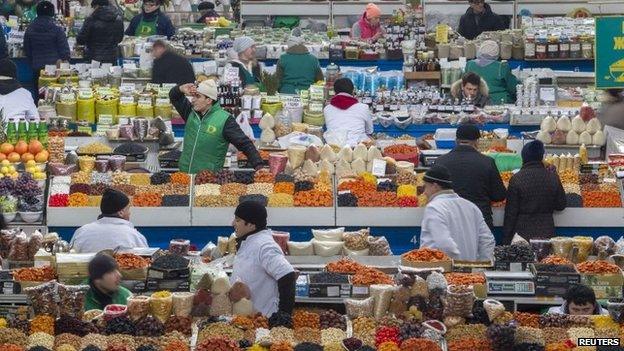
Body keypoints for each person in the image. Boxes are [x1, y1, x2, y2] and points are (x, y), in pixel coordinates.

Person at [169, 79, 263, 173]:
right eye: (193, 96)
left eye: (197, 97)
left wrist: (258, 166)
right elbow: (174, 96)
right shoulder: (190, 112)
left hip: (208, 179)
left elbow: (244, 143)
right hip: (185, 175)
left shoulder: (224, 120)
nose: (193, 100)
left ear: (209, 100)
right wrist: (181, 88)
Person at [230, 201, 295, 317]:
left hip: (262, 320)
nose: (232, 223)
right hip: (247, 319)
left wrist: (283, 316)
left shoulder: (265, 246)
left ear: (251, 225)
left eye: (237, 220)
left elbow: (287, 275)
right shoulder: (250, 241)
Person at [435, 124, 506, 229]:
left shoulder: (440, 162)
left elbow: (434, 194)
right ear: (477, 142)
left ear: (456, 141)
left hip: (449, 220)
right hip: (479, 221)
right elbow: (499, 195)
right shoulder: (487, 162)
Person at [419, 165, 495, 261]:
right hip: (470, 273)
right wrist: (481, 268)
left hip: (441, 272)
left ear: (435, 186)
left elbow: (445, 244)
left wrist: (456, 265)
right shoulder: (471, 206)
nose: (424, 192)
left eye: (425, 187)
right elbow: (487, 241)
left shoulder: (434, 208)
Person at [503, 140, 566, 244]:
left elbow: (511, 213)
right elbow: (561, 205)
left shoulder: (516, 179)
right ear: (541, 157)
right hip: (546, 232)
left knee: (524, 259)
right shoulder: (553, 177)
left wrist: (506, 239)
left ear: (523, 157)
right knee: (545, 260)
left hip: (522, 234)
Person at [70, 188, 148, 253]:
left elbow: (69, 258)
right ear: (121, 212)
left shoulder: (81, 232)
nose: (130, 213)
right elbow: (145, 262)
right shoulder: (134, 236)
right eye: (128, 209)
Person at [22, 1, 70, 100]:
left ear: (37, 12)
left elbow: (27, 49)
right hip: (54, 70)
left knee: (39, 96)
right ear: (52, 13)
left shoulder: (30, 29)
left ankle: (39, 113)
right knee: (53, 97)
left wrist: (33, 62)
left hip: (37, 68)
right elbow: (65, 52)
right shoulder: (57, 29)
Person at [323, 77, 373, 147]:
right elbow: (369, 131)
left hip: (335, 147)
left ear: (334, 92)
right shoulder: (364, 107)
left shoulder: (327, 109)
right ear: (352, 91)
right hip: (358, 147)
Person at [276, 28, 324, 94]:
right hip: (308, 93)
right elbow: (320, 80)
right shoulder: (313, 59)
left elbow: (277, 81)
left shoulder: (283, 58)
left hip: (286, 93)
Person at [76, 0, 124, 65]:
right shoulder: (118, 19)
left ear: (96, 6)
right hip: (112, 58)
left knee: (95, 74)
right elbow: (120, 39)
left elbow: (80, 40)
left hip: (93, 59)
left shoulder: (91, 19)